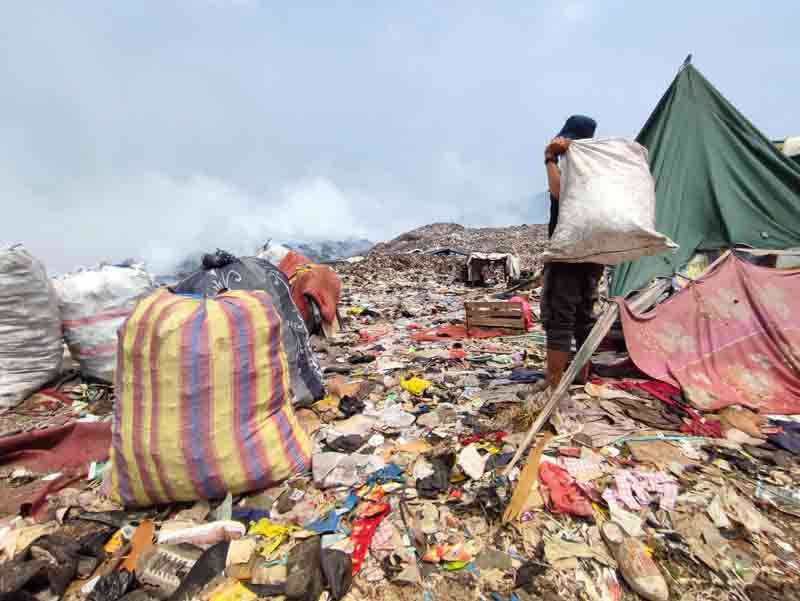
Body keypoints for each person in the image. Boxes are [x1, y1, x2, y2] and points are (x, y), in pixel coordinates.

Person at [540, 115, 604, 390]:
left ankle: (554, 384)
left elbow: (558, 194)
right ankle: (582, 376)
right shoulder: (600, 172)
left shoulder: (573, 171)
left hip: (568, 255)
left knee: (559, 317)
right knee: (583, 318)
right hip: (593, 256)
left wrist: (549, 159)